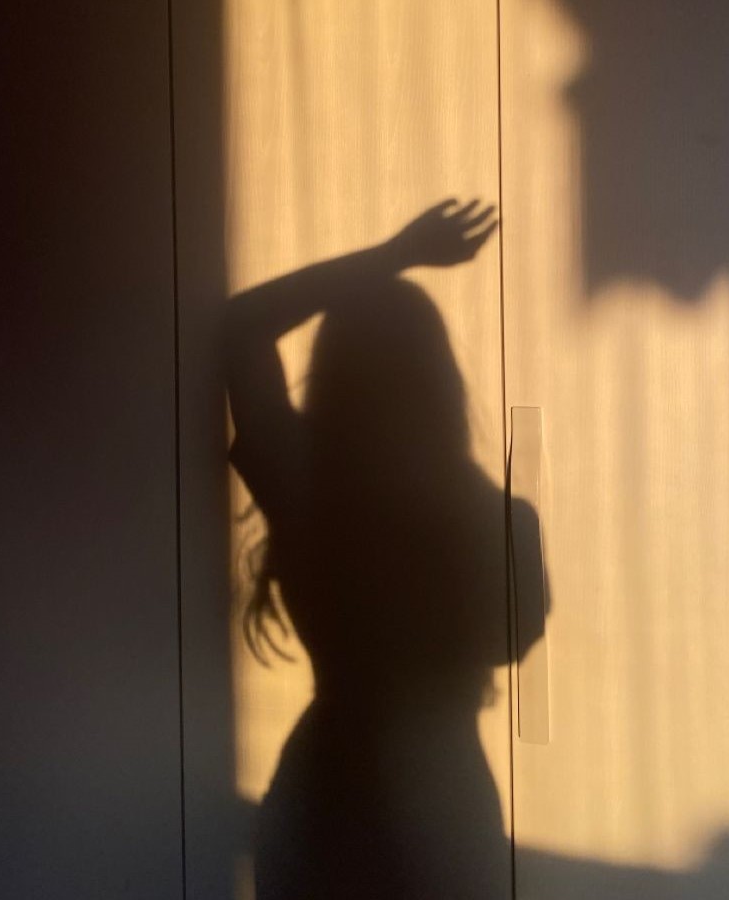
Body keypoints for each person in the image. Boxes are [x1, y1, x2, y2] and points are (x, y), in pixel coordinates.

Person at [226, 199, 538, 899]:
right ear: (441, 379)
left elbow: (240, 327)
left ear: (332, 375)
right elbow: (508, 641)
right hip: (447, 808)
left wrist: (394, 254)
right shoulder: (498, 520)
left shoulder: (305, 481)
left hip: (322, 797)